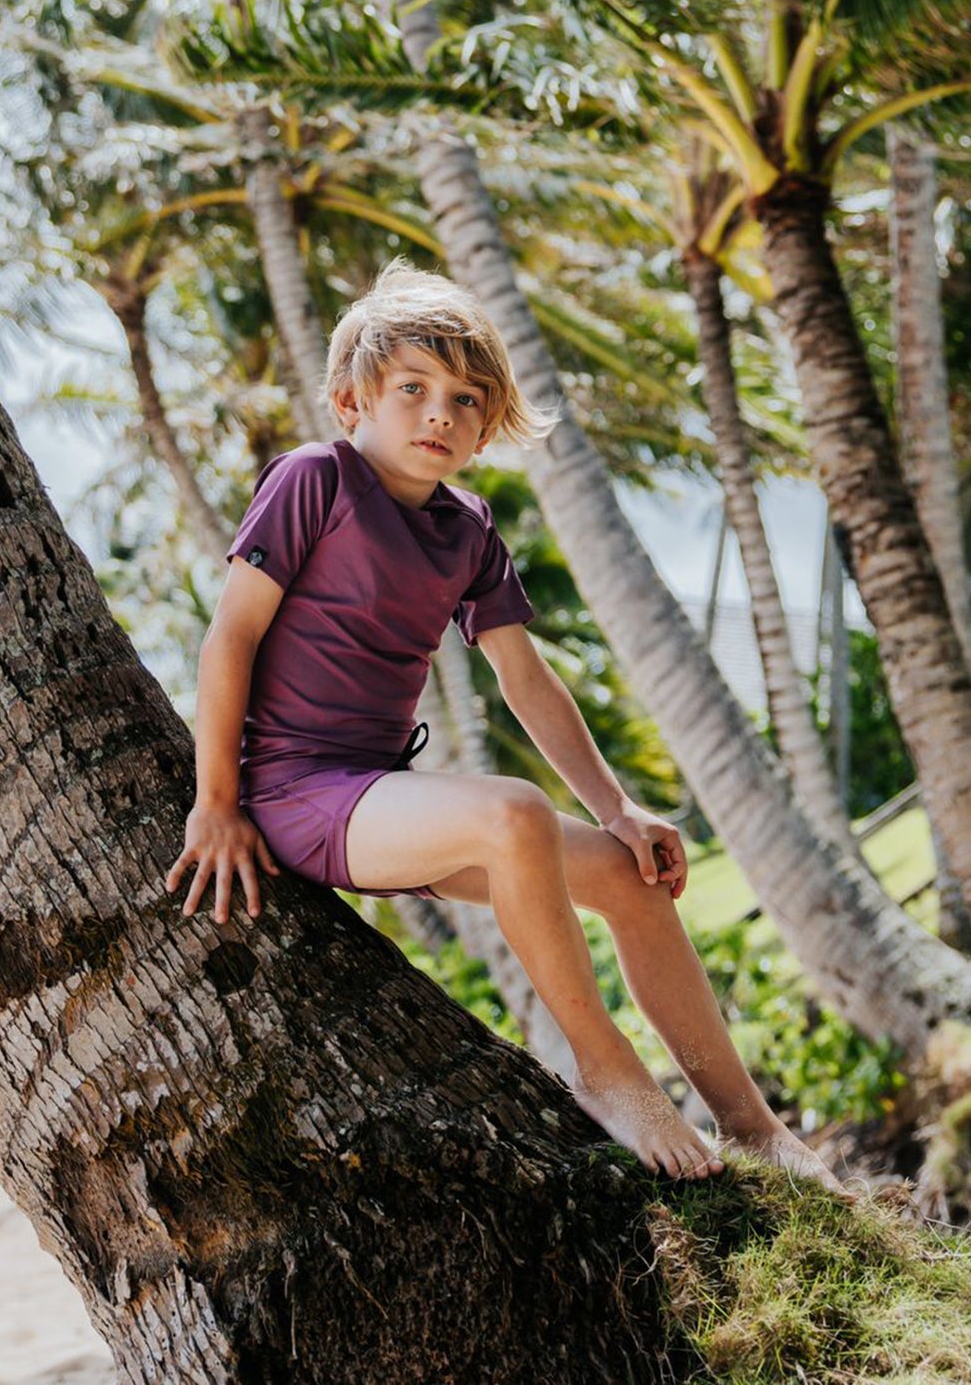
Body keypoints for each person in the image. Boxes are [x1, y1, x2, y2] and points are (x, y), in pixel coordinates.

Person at [165, 260, 841, 1189]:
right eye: (413, 389)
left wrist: (618, 811)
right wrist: (216, 803)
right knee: (515, 811)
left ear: (486, 429)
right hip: (296, 796)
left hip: (391, 805)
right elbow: (230, 638)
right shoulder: (313, 478)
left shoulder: (470, 529)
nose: (439, 414)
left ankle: (753, 1127)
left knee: (635, 880)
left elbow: (525, 680)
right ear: (353, 400)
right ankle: (606, 1072)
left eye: (466, 399)